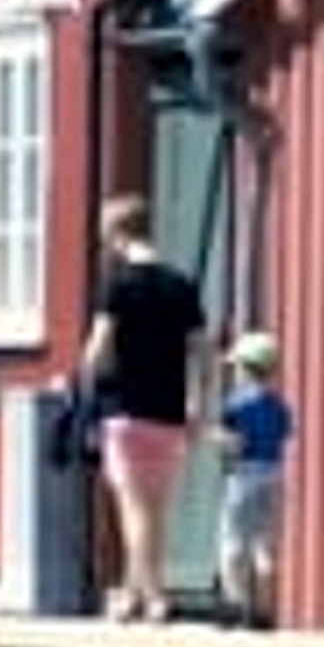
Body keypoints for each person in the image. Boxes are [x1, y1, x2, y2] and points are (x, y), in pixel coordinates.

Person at [83, 193, 206, 623]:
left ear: (117, 234)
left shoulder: (117, 285)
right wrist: (196, 402)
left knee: (133, 508)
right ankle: (130, 597)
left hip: (127, 409)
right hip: (169, 412)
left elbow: (97, 351)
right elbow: (199, 350)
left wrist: (88, 383)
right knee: (154, 508)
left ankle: (154, 596)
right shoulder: (182, 285)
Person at [213, 329, 293, 630]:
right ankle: (263, 610)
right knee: (264, 544)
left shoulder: (235, 404)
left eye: (237, 368)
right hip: (273, 473)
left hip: (243, 474)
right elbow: (283, 436)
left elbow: (235, 444)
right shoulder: (279, 406)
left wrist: (215, 437)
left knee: (232, 541)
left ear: (246, 369)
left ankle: (235, 607)